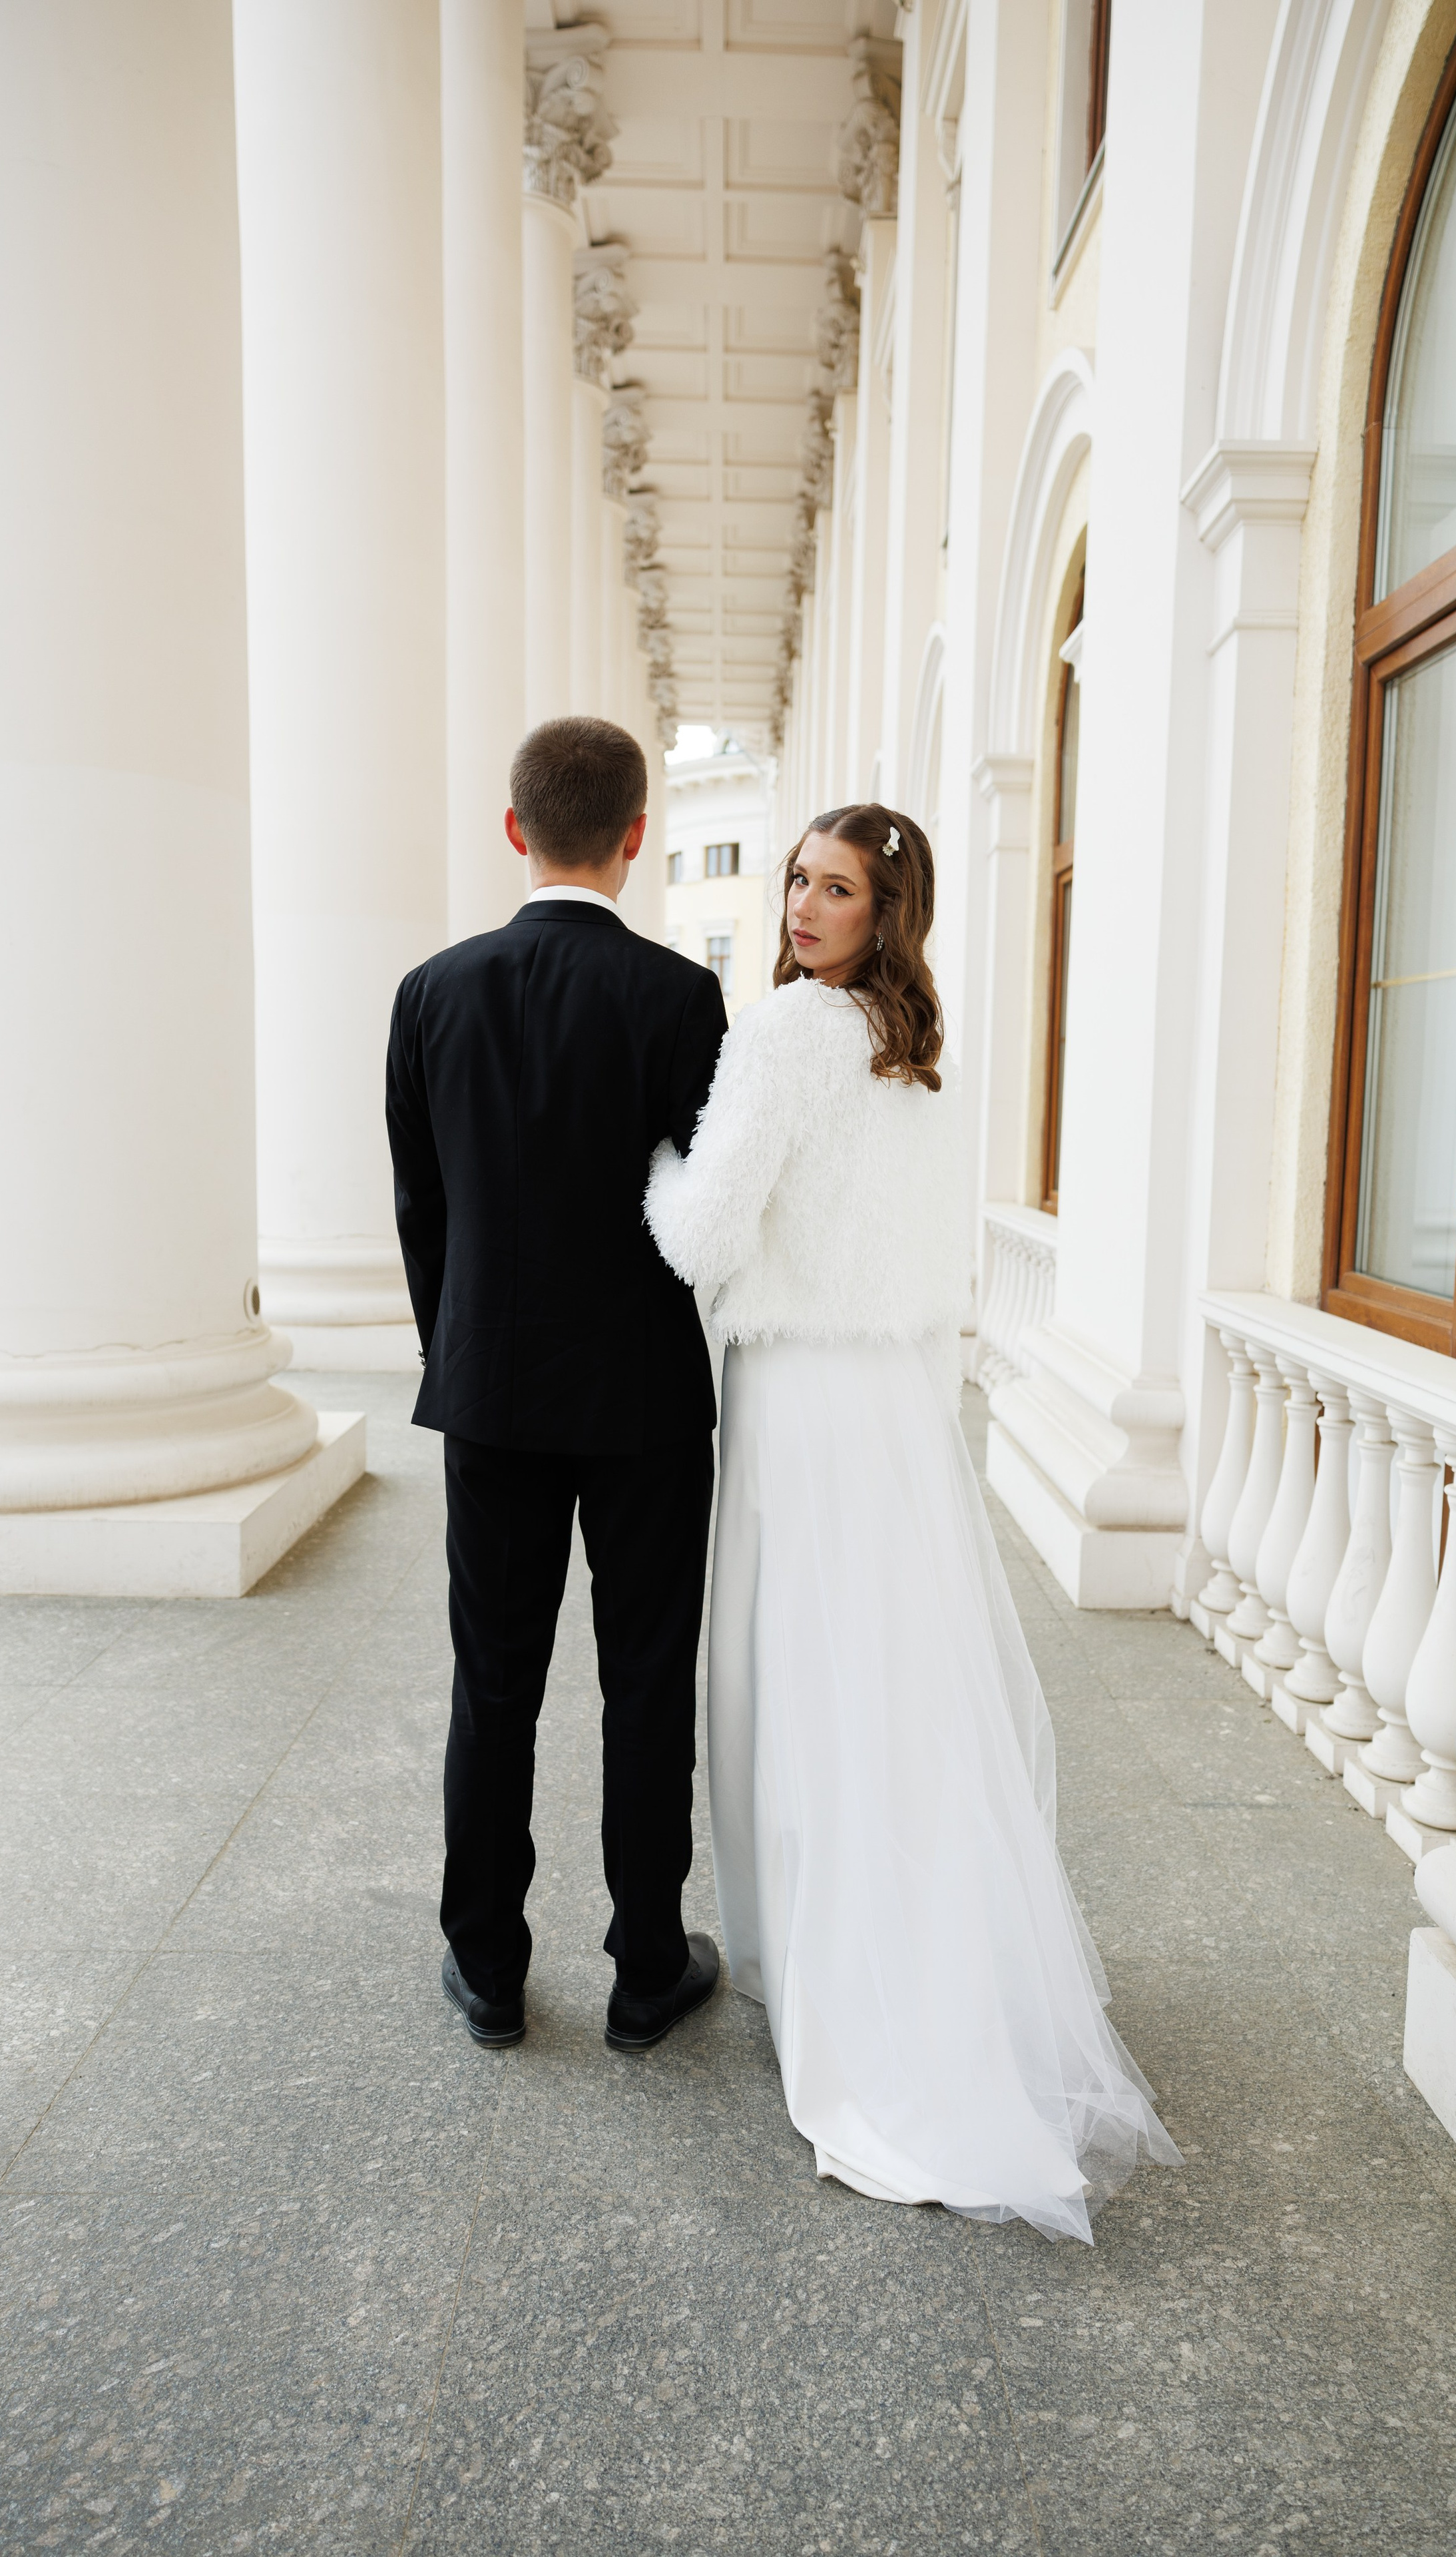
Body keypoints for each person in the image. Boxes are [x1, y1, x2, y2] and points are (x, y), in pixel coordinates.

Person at [644, 802, 1181, 2237]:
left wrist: (657, 1164)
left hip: (800, 1397)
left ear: (886, 913)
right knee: (896, 1687)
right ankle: (920, 1952)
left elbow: (701, 1237)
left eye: (834, 889)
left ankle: (829, 1965)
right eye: (796, 881)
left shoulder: (784, 1033)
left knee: (806, 1680)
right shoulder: (916, 1051)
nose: (801, 907)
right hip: (892, 1401)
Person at [386, 716, 729, 2054]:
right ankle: (647, 1970)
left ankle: (486, 1968)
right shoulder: (680, 999)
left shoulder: (431, 992)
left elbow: (423, 1208)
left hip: (491, 1392)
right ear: (637, 835)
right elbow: (699, 1207)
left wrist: (459, 1349)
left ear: (513, 829)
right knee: (646, 1679)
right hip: (644, 1399)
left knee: (493, 1683)